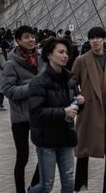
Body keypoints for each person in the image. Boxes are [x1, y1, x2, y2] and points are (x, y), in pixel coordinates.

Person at [72, 27, 106, 193]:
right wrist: (77, 101)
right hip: (89, 110)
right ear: (89, 41)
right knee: (83, 148)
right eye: (92, 38)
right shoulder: (81, 61)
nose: (95, 41)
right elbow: (71, 84)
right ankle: (81, 185)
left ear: (104, 39)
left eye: (98, 37)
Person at [28, 37, 85, 193]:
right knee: (46, 185)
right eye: (61, 52)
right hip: (47, 139)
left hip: (66, 137)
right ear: (49, 55)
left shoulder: (70, 79)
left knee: (68, 184)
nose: (65, 55)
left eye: (67, 52)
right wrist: (62, 112)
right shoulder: (39, 82)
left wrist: (80, 102)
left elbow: (75, 107)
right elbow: (36, 113)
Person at [2, 25, 43, 193]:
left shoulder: (42, 60)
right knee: (22, 158)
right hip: (20, 117)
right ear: (18, 40)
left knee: (45, 155)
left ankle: (32, 188)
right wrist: (31, 88)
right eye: (26, 37)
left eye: (33, 36)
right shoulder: (11, 63)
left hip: (39, 114)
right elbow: (8, 91)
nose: (31, 39)